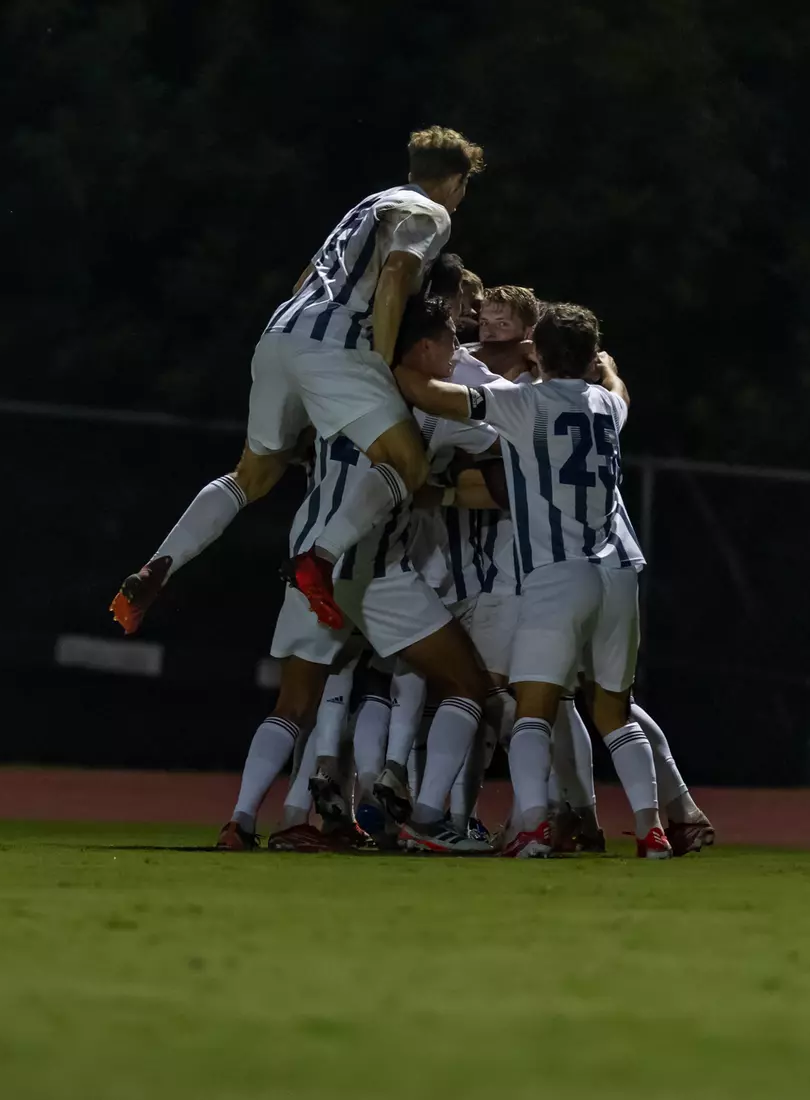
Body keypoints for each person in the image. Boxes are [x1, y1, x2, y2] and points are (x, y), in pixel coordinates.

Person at [110, 127, 484, 635]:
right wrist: (378, 363)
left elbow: (303, 280)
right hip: (334, 343)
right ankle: (321, 559)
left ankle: (159, 564)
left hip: (280, 333)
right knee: (408, 463)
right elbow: (397, 274)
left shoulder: (367, 205)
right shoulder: (430, 213)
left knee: (252, 475)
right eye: (464, 188)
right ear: (456, 181)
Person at [212, 296, 493, 855]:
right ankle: (430, 819)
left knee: (294, 704)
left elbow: (284, 443)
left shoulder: (333, 380)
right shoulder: (436, 404)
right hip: (378, 573)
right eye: (447, 342)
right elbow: (502, 461)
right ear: (423, 347)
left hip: (312, 560)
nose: (455, 352)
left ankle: (241, 822)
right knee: (467, 685)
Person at [395, 302, 670, 858]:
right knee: (615, 713)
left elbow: (427, 393)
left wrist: (389, 354)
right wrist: (608, 369)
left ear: (537, 353)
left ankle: (533, 827)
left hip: (557, 572)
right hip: (619, 570)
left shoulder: (523, 402)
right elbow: (620, 393)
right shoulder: (603, 404)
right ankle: (652, 830)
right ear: (590, 357)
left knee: (533, 709)